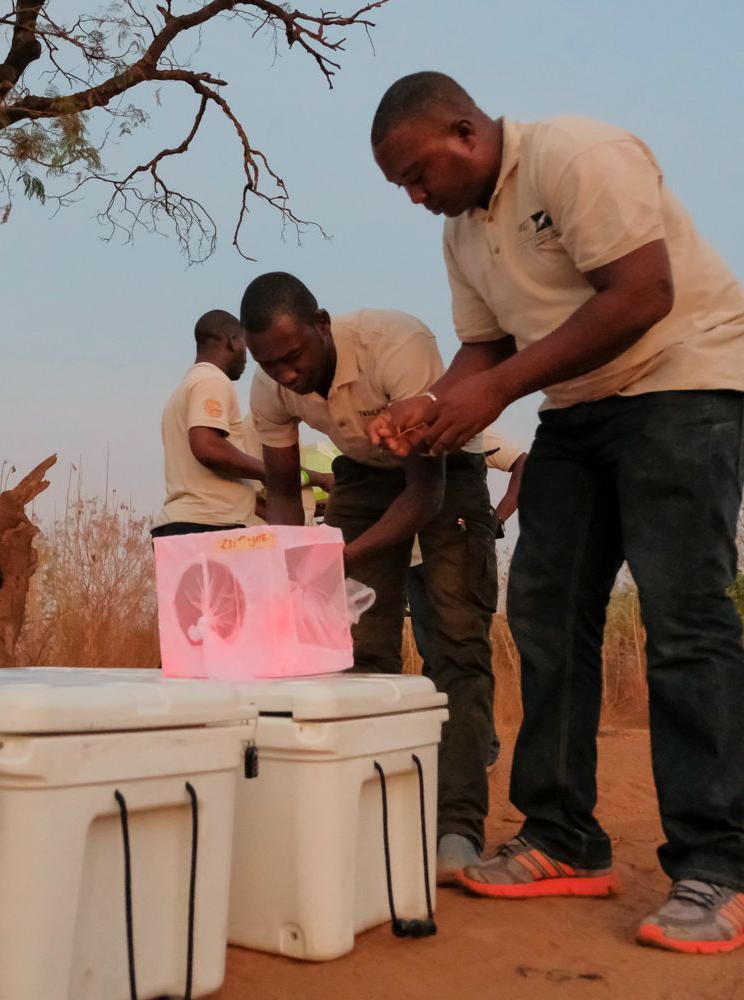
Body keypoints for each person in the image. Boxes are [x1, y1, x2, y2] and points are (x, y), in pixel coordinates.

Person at [369, 71, 744, 954]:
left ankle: (718, 868)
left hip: (685, 380)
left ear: (466, 131)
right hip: (579, 407)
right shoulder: (462, 230)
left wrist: (498, 394)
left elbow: (642, 293)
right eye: (402, 185)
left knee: (684, 618)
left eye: (418, 174)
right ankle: (561, 837)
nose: (416, 195)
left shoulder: (575, 156)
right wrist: (430, 406)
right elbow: (487, 344)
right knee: (544, 609)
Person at [241, 272, 497, 881]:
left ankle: (455, 827)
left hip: (444, 472)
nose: (287, 375)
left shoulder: (396, 345)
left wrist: (341, 558)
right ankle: (365, 815)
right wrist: (295, 556)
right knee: (352, 650)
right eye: (270, 364)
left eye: (295, 356)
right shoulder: (269, 387)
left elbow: (425, 494)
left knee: (457, 645)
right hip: (360, 474)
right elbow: (281, 489)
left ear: (322, 324)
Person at [408, 431, 528, 769]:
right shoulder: (398, 435)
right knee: (431, 652)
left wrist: (499, 517)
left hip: (460, 552)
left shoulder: (458, 427)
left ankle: (481, 747)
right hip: (414, 556)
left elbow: (522, 460)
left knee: (465, 649)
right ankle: (450, 743)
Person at [151, 309, 265, 538]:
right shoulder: (212, 379)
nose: (246, 358)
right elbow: (207, 446)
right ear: (234, 341)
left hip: (186, 524)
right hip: (210, 526)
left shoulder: (185, 387)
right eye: (246, 346)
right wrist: (269, 471)